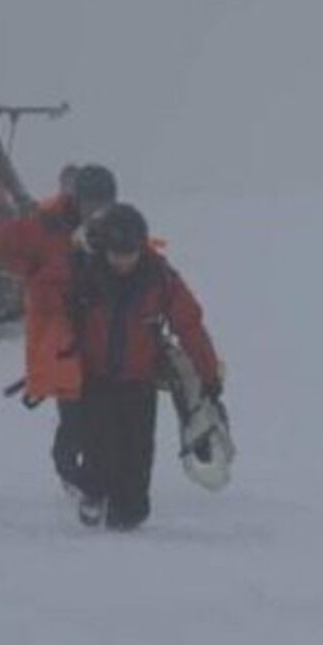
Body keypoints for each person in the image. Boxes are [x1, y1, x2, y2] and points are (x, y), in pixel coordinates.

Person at [64, 203, 224, 530]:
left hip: (139, 382)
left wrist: (207, 376)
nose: (123, 260)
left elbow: (189, 326)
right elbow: (51, 320)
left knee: (136, 464)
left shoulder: (160, 279)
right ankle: (91, 492)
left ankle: (127, 517)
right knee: (100, 450)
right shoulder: (82, 275)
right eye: (116, 253)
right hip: (92, 381)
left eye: (130, 252)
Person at [0, 164, 119, 497]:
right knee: (74, 411)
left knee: (104, 410)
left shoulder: (118, 229)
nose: (98, 211)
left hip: (102, 335)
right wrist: (29, 267)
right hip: (59, 336)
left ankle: (94, 481)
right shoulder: (45, 225)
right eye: (92, 203)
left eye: (105, 203)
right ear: (78, 200)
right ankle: (67, 465)